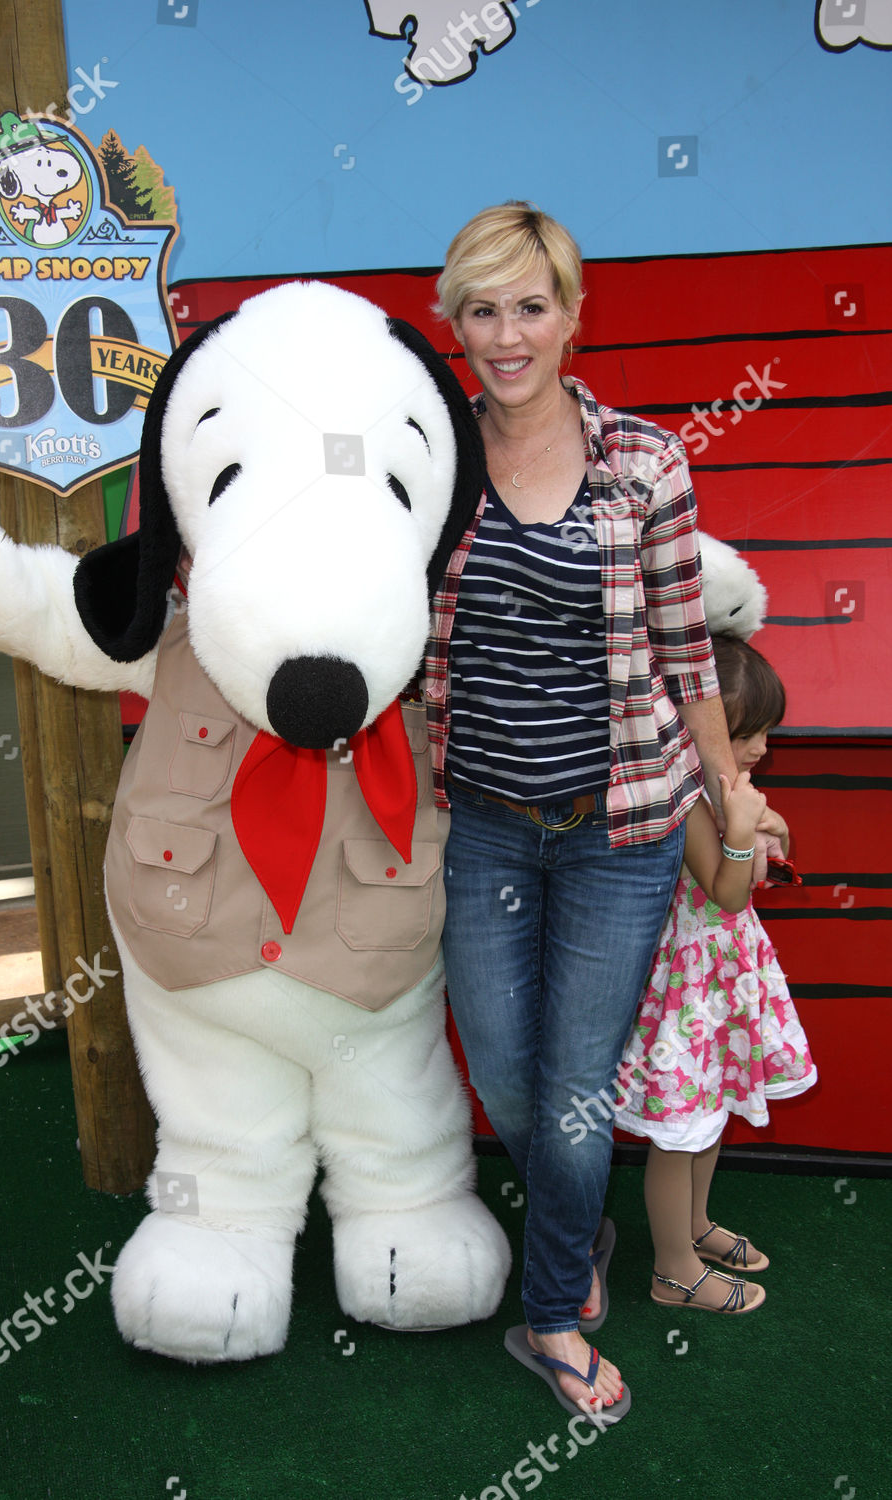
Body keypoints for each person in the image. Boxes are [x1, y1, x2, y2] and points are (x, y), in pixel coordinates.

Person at [426, 201, 778, 1423]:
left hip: (620, 829)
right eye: (482, 308)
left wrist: (727, 786)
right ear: (453, 322)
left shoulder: (644, 460)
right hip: (476, 822)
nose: (506, 333)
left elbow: (688, 647)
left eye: (531, 305)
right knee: (510, 1083)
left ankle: (550, 1316)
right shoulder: (431, 458)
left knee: (575, 1085)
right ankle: (578, 1239)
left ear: (572, 317)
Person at [613, 635, 816, 1311]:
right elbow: (725, 891)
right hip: (688, 992)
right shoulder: (685, 797)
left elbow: (758, 869)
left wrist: (768, 831)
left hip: (725, 981)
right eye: (747, 734)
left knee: (715, 1111)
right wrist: (741, 828)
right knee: (680, 1130)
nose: (759, 748)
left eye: (766, 733)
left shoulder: (723, 790)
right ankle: (672, 1268)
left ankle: (695, 1226)